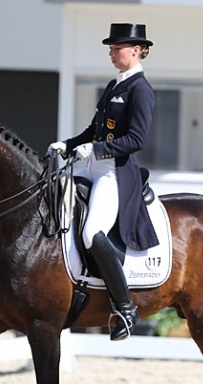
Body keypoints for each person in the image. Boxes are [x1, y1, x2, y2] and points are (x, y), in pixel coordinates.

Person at [47, 23, 158, 341]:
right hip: (92, 166)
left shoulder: (141, 90)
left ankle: (125, 308)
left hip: (114, 172)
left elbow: (136, 139)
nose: (111, 52)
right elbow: (94, 130)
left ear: (136, 50)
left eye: (116, 47)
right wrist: (68, 144)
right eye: (110, 48)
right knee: (53, 203)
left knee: (91, 233)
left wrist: (95, 149)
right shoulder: (114, 85)